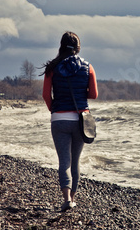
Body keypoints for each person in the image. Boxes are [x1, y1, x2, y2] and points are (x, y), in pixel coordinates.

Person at [42, 31, 98, 212]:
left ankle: (66, 199)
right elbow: (93, 95)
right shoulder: (88, 67)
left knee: (64, 161)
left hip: (59, 119)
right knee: (75, 161)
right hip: (80, 119)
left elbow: (45, 95)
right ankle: (72, 199)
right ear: (78, 47)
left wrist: (55, 110)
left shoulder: (52, 67)